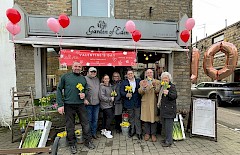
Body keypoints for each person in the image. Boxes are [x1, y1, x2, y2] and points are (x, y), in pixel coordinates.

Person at [56, 62, 95, 154]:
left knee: (85, 123)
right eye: (75, 66)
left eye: (79, 66)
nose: (77, 68)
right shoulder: (66, 77)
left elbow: (86, 89)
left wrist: (84, 95)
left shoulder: (83, 78)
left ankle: (88, 141)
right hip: (68, 104)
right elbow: (58, 89)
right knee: (70, 126)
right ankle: (72, 144)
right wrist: (60, 105)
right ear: (72, 67)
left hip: (80, 104)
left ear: (81, 68)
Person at [138, 69, 160, 142]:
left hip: (153, 102)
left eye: (151, 72)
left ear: (153, 74)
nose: (149, 74)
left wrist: (154, 86)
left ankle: (153, 134)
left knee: (154, 119)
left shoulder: (157, 81)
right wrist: (144, 87)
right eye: (148, 73)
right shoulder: (142, 82)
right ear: (145, 74)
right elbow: (140, 92)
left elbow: (158, 91)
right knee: (146, 119)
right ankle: (147, 133)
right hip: (145, 102)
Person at [120, 70, 142, 140]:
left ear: (133, 74)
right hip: (129, 103)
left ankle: (139, 132)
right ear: (126, 75)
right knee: (131, 118)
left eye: (131, 73)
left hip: (137, 103)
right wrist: (126, 94)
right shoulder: (124, 82)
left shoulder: (139, 81)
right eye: (128, 74)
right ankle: (132, 131)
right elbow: (121, 92)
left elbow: (142, 90)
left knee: (137, 118)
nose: (130, 75)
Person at [157, 72, 177, 147]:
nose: (165, 79)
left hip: (169, 110)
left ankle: (169, 141)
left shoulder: (172, 86)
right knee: (165, 126)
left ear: (169, 79)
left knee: (169, 126)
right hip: (164, 110)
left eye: (166, 78)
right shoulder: (162, 86)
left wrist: (168, 93)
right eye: (163, 78)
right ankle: (166, 139)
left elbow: (174, 96)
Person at [84, 67, 100, 139]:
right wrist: (84, 99)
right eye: (91, 72)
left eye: (94, 72)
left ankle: (94, 133)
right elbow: (80, 90)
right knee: (89, 120)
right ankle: (88, 135)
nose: (93, 73)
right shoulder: (84, 79)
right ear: (88, 72)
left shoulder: (97, 79)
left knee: (95, 120)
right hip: (89, 104)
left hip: (97, 103)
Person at [99, 74, 114, 138]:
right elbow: (102, 97)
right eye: (105, 79)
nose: (106, 80)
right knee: (110, 117)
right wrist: (110, 99)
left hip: (109, 105)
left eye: (107, 78)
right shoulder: (102, 87)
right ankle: (107, 131)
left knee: (105, 117)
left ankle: (103, 130)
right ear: (103, 80)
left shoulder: (110, 86)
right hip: (105, 105)